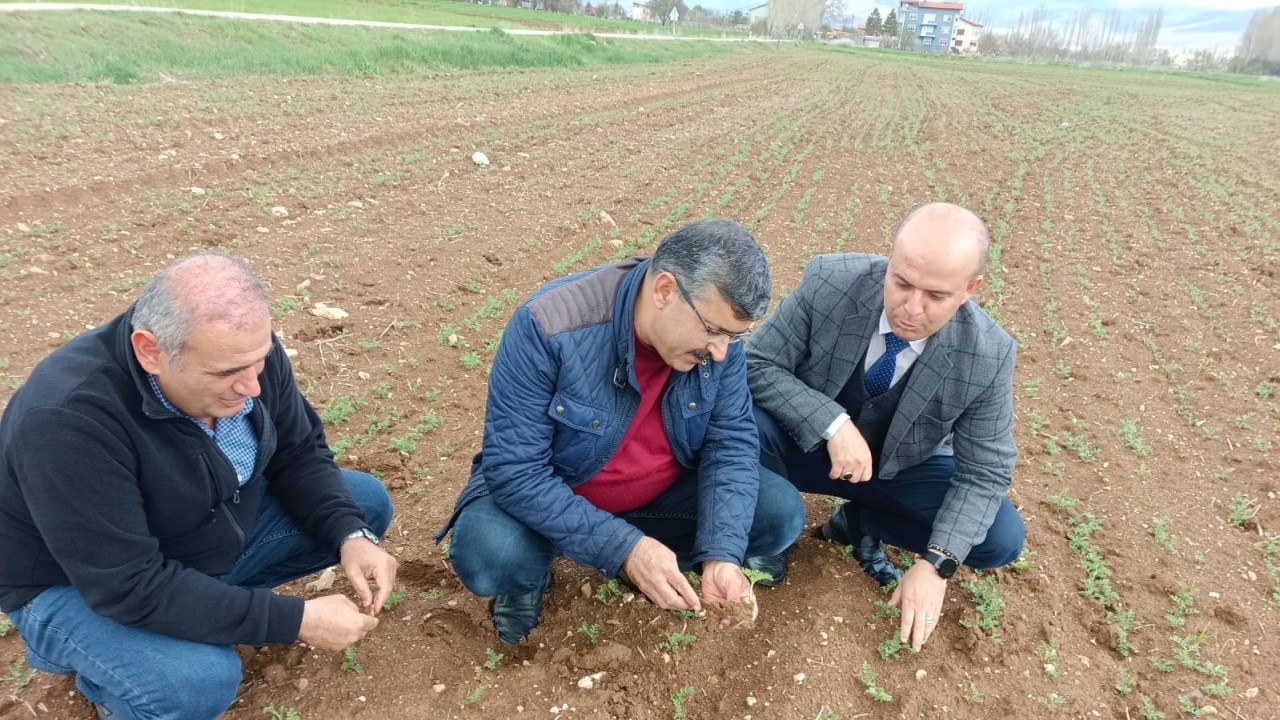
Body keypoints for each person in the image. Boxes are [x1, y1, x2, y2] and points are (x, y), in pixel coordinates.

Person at [0, 252, 398, 720]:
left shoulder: (242, 356)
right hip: (74, 583)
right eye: (226, 373)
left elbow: (299, 452)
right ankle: (101, 668)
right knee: (193, 684)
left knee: (361, 505)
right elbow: (127, 585)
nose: (252, 386)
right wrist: (295, 620)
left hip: (188, 537)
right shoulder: (68, 420)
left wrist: (350, 534)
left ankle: (192, 609)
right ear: (151, 350)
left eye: (260, 361)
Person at [436, 219, 805, 644]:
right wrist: (623, 549)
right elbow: (516, 471)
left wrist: (722, 554)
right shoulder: (549, 326)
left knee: (778, 512)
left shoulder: (720, 347)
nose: (721, 350)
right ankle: (534, 576)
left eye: (734, 336)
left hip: (659, 496)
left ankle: (658, 560)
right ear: (664, 290)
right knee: (491, 553)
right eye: (713, 330)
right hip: (560, 493)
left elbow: (731, 443)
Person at [746, 203, 1025, 652]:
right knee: (737, 423)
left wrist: (936, 565)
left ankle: (859, 522)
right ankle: (767, 527)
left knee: (999, 539)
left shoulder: (988, 355)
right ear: (889, 260)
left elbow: (985, 472)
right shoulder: (828, 283)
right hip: (801, 446)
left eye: (935, 296)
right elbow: (756, 362)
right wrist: (832, 422)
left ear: (971, 289)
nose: (911, 308)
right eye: (901, 283)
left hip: (898, 472)